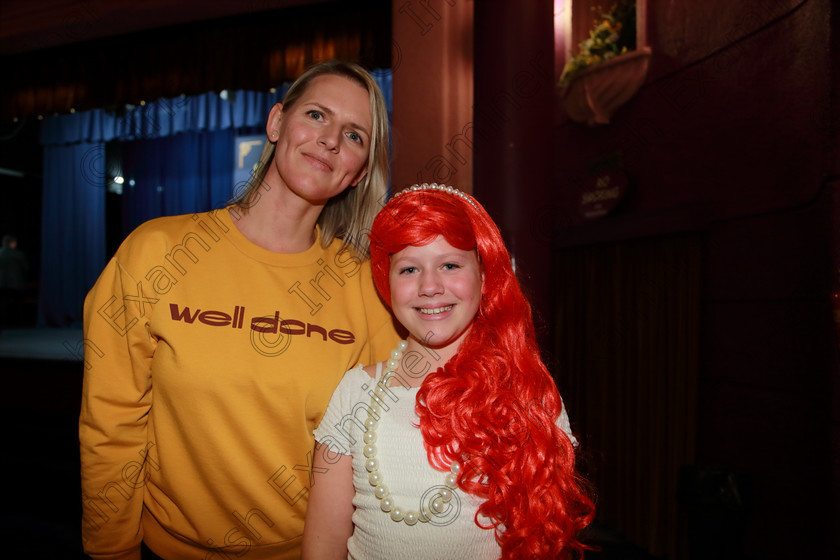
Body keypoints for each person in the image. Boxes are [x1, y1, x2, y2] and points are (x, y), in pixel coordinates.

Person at [80, 61, 401, 560]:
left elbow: (385, 444)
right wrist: (110, 552)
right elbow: (111, 426)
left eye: (355, 135)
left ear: (359, 172)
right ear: (276, 123)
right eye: (317, 115)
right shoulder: (156, 252)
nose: (332, 139)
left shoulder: (369, 287)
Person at [302, 184, 596, 559]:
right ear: (387, 284)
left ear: (485, 276)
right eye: (409, 268)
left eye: (450, 265)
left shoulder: (527, 389)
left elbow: (546, 536)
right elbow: (321, 546)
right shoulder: (355, 392)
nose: (429, 286)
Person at [0, 234, 29, 328]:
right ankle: (19, 322)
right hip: (16, 285)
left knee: (3, 304)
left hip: (2, 284)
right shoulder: (18, 255)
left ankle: (4, 323)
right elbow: (26, 268)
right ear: (12, 243)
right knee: (19, 304)